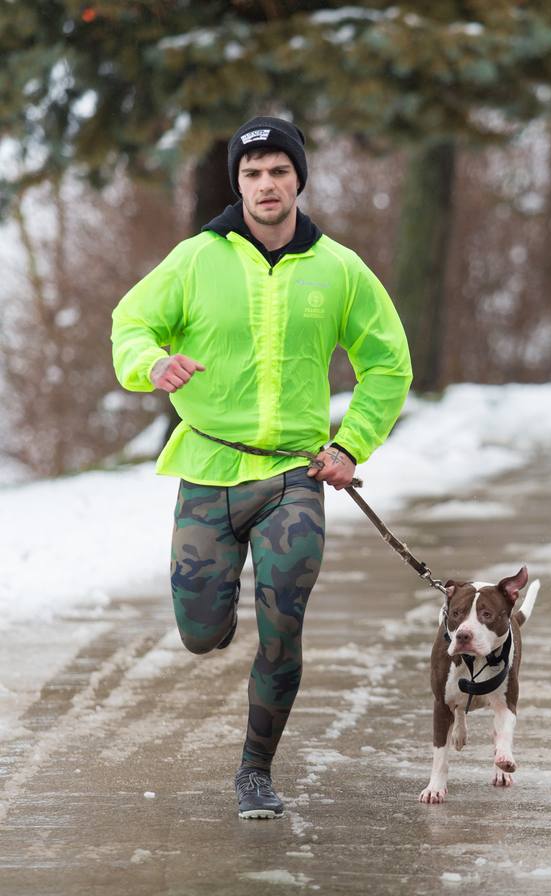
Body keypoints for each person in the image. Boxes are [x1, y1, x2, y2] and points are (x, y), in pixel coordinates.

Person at [111, 115, 412, 818]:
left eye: (279, 171)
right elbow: (130, 323)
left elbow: (388, 364)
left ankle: (255, 770)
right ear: (237, 183)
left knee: (284, 621)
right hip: (209, 469)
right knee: (200, 633)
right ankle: (221, 600)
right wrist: (151, 363)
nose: (266, 184)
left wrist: (351, 445)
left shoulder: (338, 269)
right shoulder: (196, 259)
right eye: (252, 173)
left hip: (294, 479)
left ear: (298, 179)